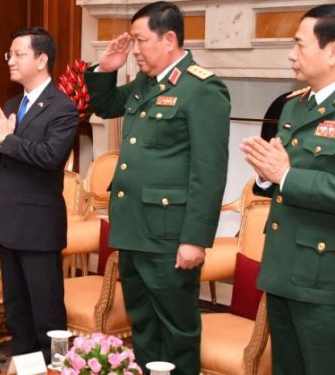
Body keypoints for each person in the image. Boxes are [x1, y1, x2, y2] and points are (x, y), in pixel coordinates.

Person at [240, 4, 335, 375]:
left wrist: (286, 175)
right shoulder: (296, 106)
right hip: (284, 271)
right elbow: (285, 177)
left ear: (332, 52)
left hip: (327, 283)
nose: (292, 54)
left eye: (300, 44)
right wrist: (267, 175)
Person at [84, 2, 230, 373]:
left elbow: (208, 171)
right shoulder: (145, 84)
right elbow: (103, 106)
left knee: (176, 328)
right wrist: (105, 70)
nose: (135, 49)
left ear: (169, 39)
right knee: (143, 321)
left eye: (140, 40)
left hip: (169, 234)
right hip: (134, 227)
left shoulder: (202, 90)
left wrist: (195, 238)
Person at [0, 27, 78, 361]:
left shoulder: (62, 107)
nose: (11, 61)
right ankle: (24, 367)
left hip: (38, 226)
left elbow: (50, 157)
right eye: (9, 54)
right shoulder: (12, 103)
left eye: (18, 54)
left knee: (46, 314)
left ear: (42, 59)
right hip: (8, 223)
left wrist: (7, 139)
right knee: (17, 313)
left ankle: (54, 367)